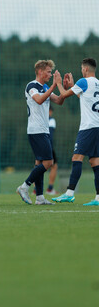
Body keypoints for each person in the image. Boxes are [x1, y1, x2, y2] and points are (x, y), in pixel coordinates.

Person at [16, 60, 65, 205]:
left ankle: (40, 197)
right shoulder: (32, 86)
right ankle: (24, 186)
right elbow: (38, 100)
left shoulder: (44, 87)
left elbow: (59, 101)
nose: (50, 74)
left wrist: (64, 87)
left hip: (43, 130)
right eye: (49, 72)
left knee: (39, 163)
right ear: (40, 72)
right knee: (49, 162)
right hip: (36, 130)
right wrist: (54, 86)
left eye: (51, 72)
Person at [52, 58, 99, 206]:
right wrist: (73, 86)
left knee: (76, 158)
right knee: (95, 161)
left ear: (85, 69)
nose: (81, 71)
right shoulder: (97, 83)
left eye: (81, 68)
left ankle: (69, 193)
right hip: (97, 126)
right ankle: (98, 198)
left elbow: (64, 95)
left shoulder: (84, 82)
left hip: (88, 127)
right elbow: (85, 98)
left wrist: (58, 83)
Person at [46, 106, 59, 195]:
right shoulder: (51, 120)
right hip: (48, 146)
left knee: (37, 165)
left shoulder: (39, 119)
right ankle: (50, 189)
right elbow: (50, 135)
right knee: (54, 166)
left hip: (38, 145)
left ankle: (35, 189)